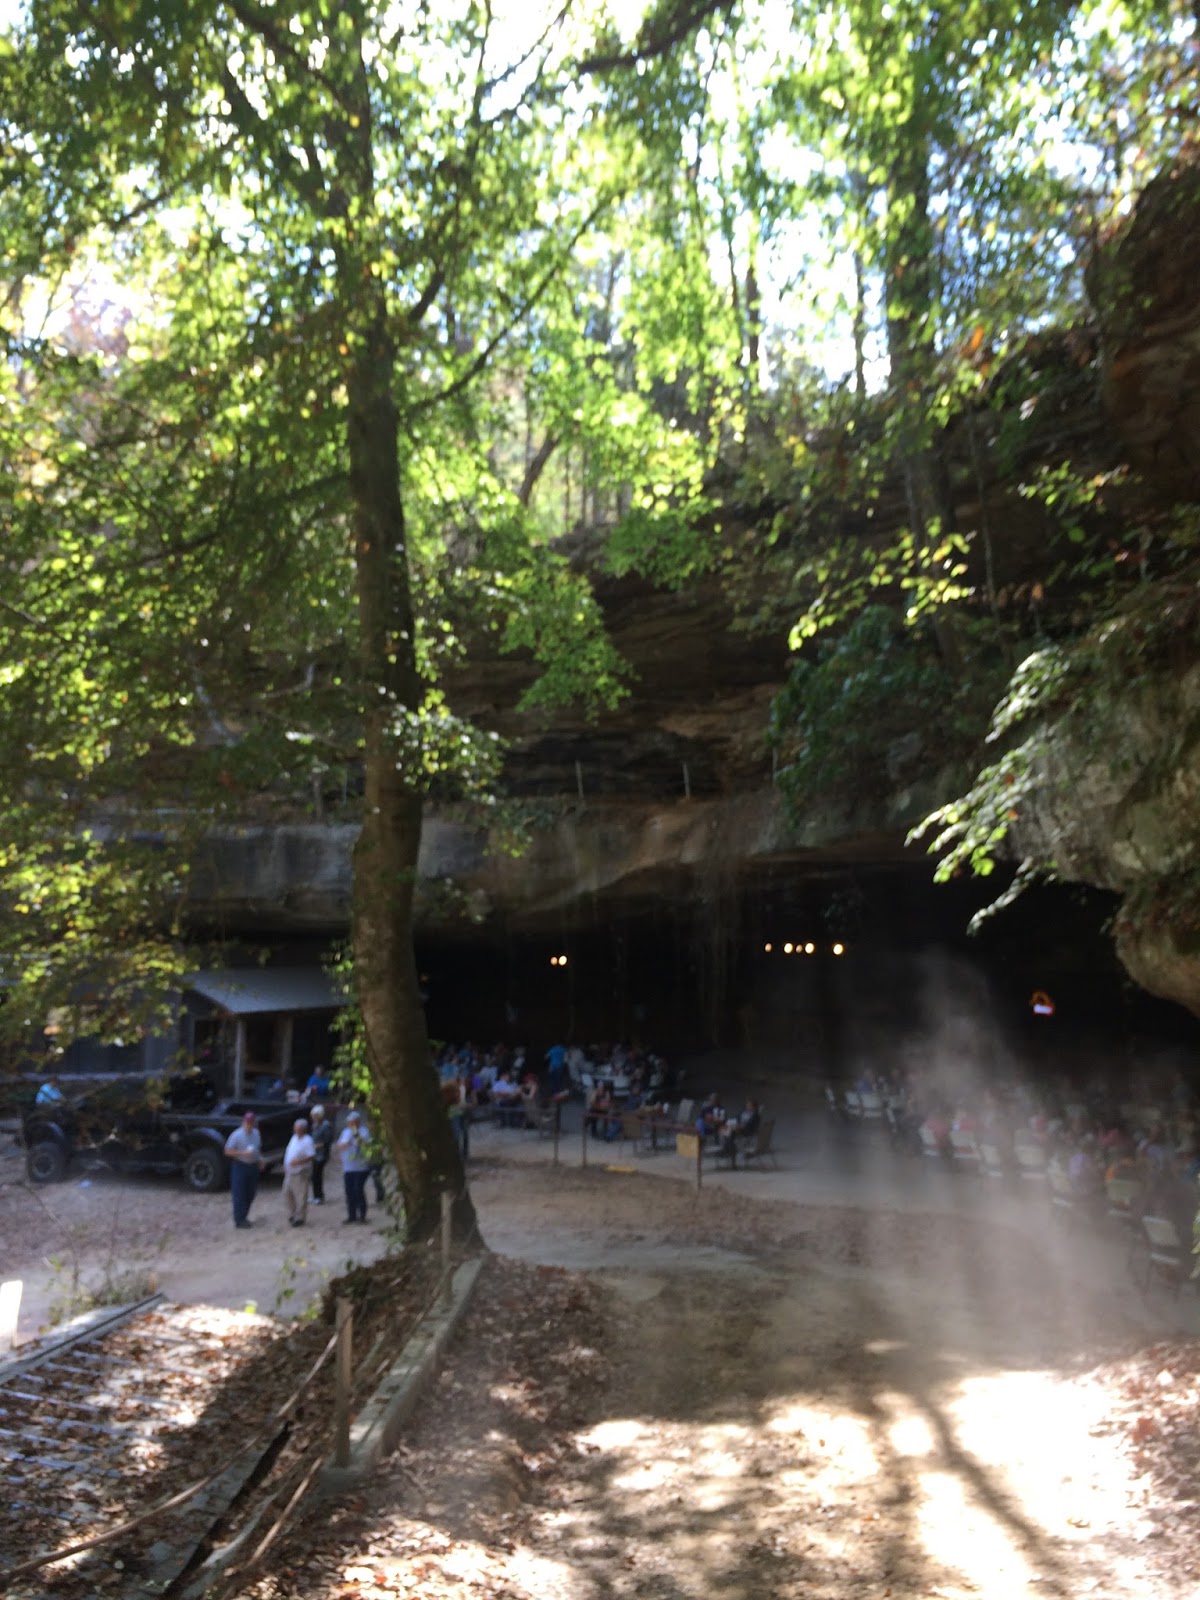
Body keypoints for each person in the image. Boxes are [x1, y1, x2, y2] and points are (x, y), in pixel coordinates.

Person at [224, 1109, 265, 1229]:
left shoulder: (256, 1134)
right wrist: (242, 1154)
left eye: (251, 1123)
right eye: (247, 1123)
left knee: (250, 1193)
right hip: (240, 1165)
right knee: (239, 1193)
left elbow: (258, 1149)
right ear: (243, 1122)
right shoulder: (236, 1135)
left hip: (253, 1166)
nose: (249, 1125)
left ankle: (244, 1216)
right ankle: (239, 1219)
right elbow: (227, 1151)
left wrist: (260, 1159)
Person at [338, 1111, 371, 1224]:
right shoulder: (345, 1132)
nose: (351, 1124)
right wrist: (347, 1141)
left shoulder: (364, 1132)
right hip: (348, 1167)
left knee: (358, 1189)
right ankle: (351, 1215)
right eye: (350, 1122)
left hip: (361, 1167)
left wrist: (356, 1135)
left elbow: (365, 1144)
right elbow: (341, 1145)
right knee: (349, 1191)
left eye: (353, 1122)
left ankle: (362, 1215)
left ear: (358, 1122)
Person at [283, 1117, 315, 1227]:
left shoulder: (307, 1140)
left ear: (304, 1129)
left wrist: (299, 1162)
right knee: (287, 1193)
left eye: (298, 1128)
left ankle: (300, 1217)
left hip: (300, 1171)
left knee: (301, 1195)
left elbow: (311, 1156)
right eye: (295, 1128)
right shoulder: (294, 1138)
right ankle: (292, 1213)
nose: (296, 1130)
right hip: (290, 1171)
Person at [309, 1104, 333, 1204]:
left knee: (317, 1175)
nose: (314, 1118)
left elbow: (327, 1141)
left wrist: (317, 1146)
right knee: (314, 1176)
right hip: (314, 1154)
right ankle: (315, 1195)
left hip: (321, 1155)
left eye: (316, 1115)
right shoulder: (314, 1126)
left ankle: (319, 1196)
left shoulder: (326, 1126)